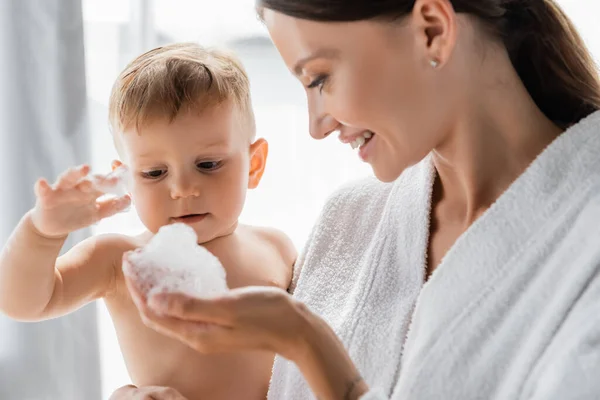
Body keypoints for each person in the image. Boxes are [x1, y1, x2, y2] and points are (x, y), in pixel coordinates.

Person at [113, 0, 600, 399]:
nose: (316, 125)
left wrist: (307, 343)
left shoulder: (585, 251)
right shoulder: (350, 222)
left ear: (431, 30)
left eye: (320, 78)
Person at [0, 42, 296, 400]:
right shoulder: (119, 260)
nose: (182, 188)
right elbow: (22, 302)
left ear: (253, 164)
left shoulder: (276, 248)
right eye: (155, 172)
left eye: (208, 165)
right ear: (125, 178)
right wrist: (41, 232)